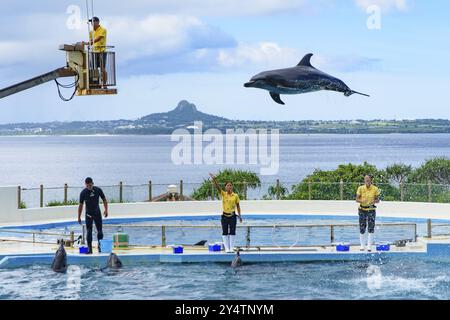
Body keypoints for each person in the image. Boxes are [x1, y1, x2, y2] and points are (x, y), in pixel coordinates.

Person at [209, 173, 243, 253]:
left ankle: (231, 248)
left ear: (232, 186)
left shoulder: (235, 196)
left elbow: (238, 206)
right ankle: (227, 248)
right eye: (227, 185)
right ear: (225, 187)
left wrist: (240, 216)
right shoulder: (223, 194)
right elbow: (217, 187)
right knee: (224, 232)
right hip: (224, 216)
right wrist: (214, 179)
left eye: (230, 185)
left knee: (232, 231)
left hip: (232, 216)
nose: (229, 187)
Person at [78, 177, 108, 254]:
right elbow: (80, 205)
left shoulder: (98, 190)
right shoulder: (83, 193)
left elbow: (104, 200)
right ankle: (90, 249)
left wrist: (106, 210)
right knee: (89, 230)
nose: (89, 187)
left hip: (97, 213)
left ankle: (100, 247)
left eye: (90, 185)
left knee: (100, 230)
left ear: (92, 183)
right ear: (85, 185)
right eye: (88, 186)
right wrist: (78, 216)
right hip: (88, 214)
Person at [356, 175, 381, 252]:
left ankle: (369, 246)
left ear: (371, 180)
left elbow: (378, 200)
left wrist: (373, 201)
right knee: (362, 227)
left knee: (371, 227)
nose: (366, 180)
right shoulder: (360, 188)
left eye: (368, 179)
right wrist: (362, 201)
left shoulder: (375, 189)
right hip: (362, 209)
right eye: (365, 179)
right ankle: (362, 246)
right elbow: (357, 199)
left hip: (371, 210)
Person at [82, 16, 108, 88]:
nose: (92, 24)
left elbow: (97, 39)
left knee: (102, 68)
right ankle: (96, 83)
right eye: (91, 22)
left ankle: (104, 84)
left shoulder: (103, 29)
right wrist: (87, 43)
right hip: (94, 52)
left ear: (97, 22)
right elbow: (91, 41)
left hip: (101, 52)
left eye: (93, 22)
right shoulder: (91, 32)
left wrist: (88, 43)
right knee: (94, 68)